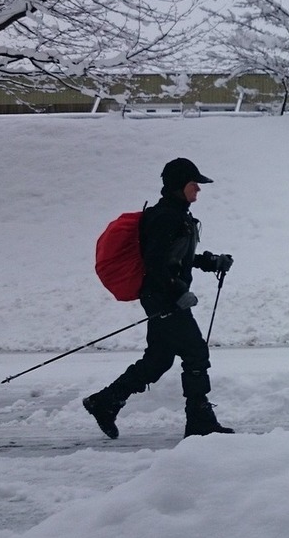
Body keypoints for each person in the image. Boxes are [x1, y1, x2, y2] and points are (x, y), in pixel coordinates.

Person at [83, 157, 235, 439]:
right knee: (195, 353)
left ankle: (105, 402)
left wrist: (210, 261)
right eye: (194, 184)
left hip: (163, 296)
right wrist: (179, 292)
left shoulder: (177, 214)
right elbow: (155, 263)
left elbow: (176, 258)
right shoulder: (166, 217)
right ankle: (200, 421)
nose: (198, 190)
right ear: (180, 185)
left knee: (159, 359)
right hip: (163, 297)